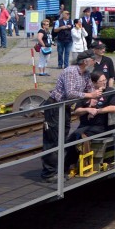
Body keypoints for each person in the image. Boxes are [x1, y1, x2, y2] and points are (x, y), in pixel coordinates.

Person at [41, 53, 101, 182]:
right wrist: (90, 96)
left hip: (65, 108)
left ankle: (58, 169)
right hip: (55, 106)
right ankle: (49, 173)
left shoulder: (85, 74)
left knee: (62, 138)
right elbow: (71, 93)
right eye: (93, 60)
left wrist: (91, 98)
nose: (95, 63)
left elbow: (90, 88)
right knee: (53, 139)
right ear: (85, 61)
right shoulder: (71, 71)